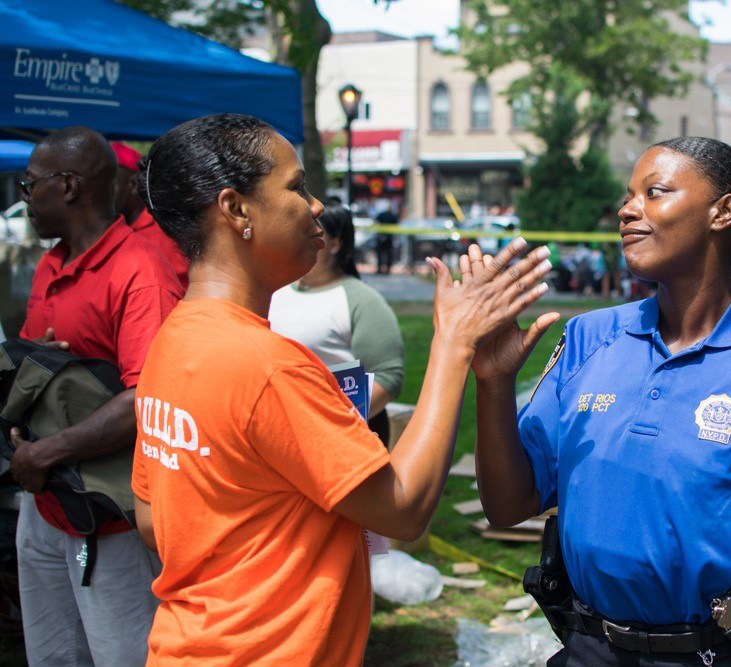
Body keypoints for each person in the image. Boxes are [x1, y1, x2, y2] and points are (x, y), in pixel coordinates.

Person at [130, 113, 552, 665]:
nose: (316, 207)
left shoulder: (171, 341)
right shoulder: (268, 366)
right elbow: (403, 509)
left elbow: (150, 522)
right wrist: (453, 344)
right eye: (296, 187)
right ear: (236, 210)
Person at [473, 137, 731, 666]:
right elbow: (506, 506)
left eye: (654, 193)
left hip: (713, 653)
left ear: (722, 212)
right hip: (588, 649)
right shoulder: (588, 339)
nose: (627, 210)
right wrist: (495, 385)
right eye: (628, 196)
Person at [11, 126, 182, 665]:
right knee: (53, 653)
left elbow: (147, 398)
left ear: (66, 186)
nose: (24, 197)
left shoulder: (141, 271)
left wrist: (46, 453)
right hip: (43, 501)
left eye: (29, 184)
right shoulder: (49, 263)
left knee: (121, 655)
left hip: (108, 515)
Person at [269, 206, 404, 445]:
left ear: (334, 245)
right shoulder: (274, 291)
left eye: (312, 233)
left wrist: (330, 424)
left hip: (340, 442)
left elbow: (388, 376)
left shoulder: (362, 300)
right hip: (278, 436)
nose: (298, 241)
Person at [110, 141, 189, 286]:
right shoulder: (109, 231)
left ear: (133, 184)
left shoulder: (165, 229)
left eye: (109, 185)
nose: (99, 194)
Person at [374, 205, 399, 274]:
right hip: (389, 237)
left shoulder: (382, 214)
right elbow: (396, 224)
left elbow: (375, 221)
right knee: (389, 253)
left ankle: (379, 268)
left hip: (381, 236)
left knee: (380, 253)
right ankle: (388, 269)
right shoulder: (393, 215)